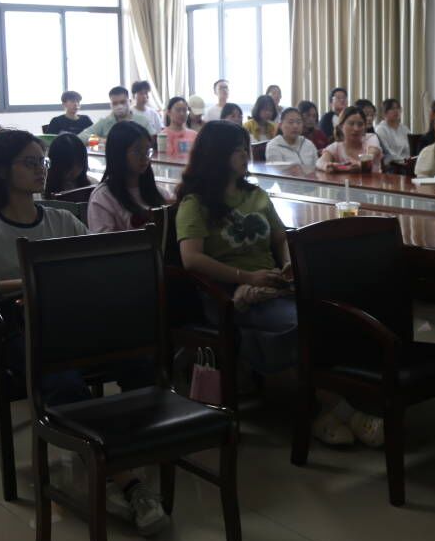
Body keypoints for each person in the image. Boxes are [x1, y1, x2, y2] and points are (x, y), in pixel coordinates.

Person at [0, 129, 168, 534]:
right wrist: (19, 285)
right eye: (30, 162)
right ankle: (125, 480)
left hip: (72, 319)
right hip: (20, 327)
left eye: (42, 161)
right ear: (2, 170)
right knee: (64, 382)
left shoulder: (60, 218)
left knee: (139, 359)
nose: (40, 170)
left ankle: (133, 446)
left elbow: (97, 265)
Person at [175, 122, 381, 446]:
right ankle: (329, 410)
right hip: (229, 294)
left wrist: (287, 263)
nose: (245, 155)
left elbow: (282, 237)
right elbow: (191, 259)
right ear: (216, 155)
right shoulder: (196, 203)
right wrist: (245, 278)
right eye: (237, 150)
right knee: (301, 323)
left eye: (245, 148)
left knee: (334, 314)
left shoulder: (254, 194)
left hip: (270, 284)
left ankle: (335, 400)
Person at [88, 122, 164, 234]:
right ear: (119, 154)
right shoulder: (103, 197)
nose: (145, 158)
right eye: (137, 151)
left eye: (148, 151)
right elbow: (103, 242)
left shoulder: (157, 191)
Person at [317, 107, 382, 173]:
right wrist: (327, 166)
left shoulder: (371, 138)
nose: (356, 129)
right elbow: (319, 162)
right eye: (351, 124)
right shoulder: (336, 147)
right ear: (341, 126)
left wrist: (359, 165)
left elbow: (371, 155)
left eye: (360, 124)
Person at [78, 86, 153, 143]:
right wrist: (103, 141)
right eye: (115, 103)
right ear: (111, 105)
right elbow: (81, 137)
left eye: (122, 102)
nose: (119, 106)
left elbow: (153, 140)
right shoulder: (104, 122)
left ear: (129, 102)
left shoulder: (143, 121)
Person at [44, 132, 93, 198]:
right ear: (55, 164)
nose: (74, 172)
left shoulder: (90, 185)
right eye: (68, 167)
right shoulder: (43, 185)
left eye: (79, 165)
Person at [161, 96, 198, 163]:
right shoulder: (162, 135)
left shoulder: (194, 135)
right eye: (178, 110)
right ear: (169, 112)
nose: (182, 113)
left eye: (185, 110)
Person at [373, 98, 410, 166]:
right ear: (385, 112)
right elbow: (387, 152)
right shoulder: (381, 129)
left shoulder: (404, 128)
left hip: (407, 163)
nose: (396, 111)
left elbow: (410, 148)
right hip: (391, 165)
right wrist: (403, 161)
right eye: (392, 108)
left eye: (398, 108)